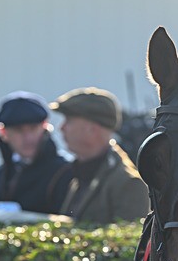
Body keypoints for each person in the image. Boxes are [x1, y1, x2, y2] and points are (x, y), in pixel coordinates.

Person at [50, 87, 149, 224]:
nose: (61, 127)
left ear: (92, 129)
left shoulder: (129, 184)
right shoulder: (82, 172)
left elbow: (129, 242)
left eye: (69, 120)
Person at [0, 91, 72, 215]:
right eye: (18, 130)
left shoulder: (66, 173)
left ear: (45, 126)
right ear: (3, 133)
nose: (28, 138)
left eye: (33, 129)